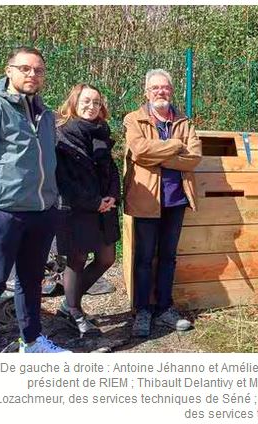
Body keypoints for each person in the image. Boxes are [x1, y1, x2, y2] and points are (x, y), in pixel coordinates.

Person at [0, 47, 70, 352]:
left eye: (38, 70)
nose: (32, 75)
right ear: (9, 70)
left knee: (30, 279)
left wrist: (53, 201)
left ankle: (31, 340)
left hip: (42, 211)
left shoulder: (46, 113)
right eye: (25, 69)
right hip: (6, 211)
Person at [124, 69, 202, 337]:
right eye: (155, 88)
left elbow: (194, 158)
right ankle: (143, 310)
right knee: (144, 258)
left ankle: (165, 308)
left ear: (171, 91)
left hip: (176, 199)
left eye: (165, 88)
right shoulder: (134, 119)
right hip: (146, 198)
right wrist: (175, 145)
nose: (161, 92)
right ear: (146, 92)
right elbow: (138, 150)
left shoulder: (185, 122)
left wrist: (159, 153)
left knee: (168, 257)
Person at [54, 83, 120, 335]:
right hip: (76, 208)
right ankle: (73, 310)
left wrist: (113, 196)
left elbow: (110, 169)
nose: (91, 106)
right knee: (77, 260)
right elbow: (63, 180)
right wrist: (94, 202)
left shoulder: (102, 130)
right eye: (86, 101)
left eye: (96, 102)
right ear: (74, 102)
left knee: (107, 258)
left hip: (105, 207)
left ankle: (67, 303)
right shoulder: (62, 133)